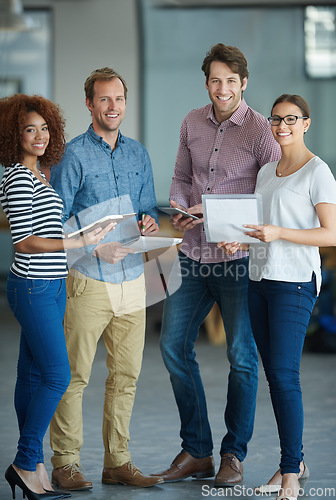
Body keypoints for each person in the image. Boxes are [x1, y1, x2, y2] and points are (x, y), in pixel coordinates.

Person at [151, 43, 281, 487]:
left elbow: (274, 197)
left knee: (242, 357)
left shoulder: (263, 132)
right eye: (214, 80)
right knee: (172, 348)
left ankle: (233, 455)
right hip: (191, 252)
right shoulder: (192, 121)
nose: (221, 88)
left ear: (243, 83)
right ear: (206, 82)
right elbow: (182, 176)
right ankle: (197, 450)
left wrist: (243, 236)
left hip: (239, 262)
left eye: (230, 81)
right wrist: (181, 206)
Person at [48, 67, 163, 490]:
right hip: (88, 278)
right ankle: (65, 462)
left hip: (133, 276)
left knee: (125, 376)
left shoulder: (138, 154)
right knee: (74, 375)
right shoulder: (72, 155)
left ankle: (117, 461)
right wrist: (93, 246)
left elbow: (147, 206)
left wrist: (149, 220)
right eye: (104, 99)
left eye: (119, 99)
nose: (113, 107)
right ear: (89, 104)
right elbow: (55, 221)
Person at [219, 94, 336, 500]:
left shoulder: (318, 172)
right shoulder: (267, 171)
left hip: (295, 283)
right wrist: (241, 243)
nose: (282, 126)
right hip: (259, 280)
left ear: (306, 122)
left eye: (291, 119)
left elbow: (331, 234)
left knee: (286, 377)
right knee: (274, 377)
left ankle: (290, 473)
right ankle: (296, 462)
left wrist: (279, 233)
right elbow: (263, 229)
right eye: (276, 119)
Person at [0, 94, 114, 500]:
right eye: (29, 129)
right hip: (32, 285)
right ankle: (25, 462)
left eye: (44, 128)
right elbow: (25, 241)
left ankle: (35, 468)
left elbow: (48, 234)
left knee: (32, 375)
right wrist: (76, 240)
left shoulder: (39, 176)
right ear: (14, 135)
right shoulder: (16, 177)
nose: (39, 136)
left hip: (51, 285)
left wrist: (86, 238)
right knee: (58, 375)